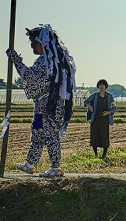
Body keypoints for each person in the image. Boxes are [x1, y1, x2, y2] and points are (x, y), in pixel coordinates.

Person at [9, 24, 76, 179]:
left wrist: (16, 60)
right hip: (43, 105)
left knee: (51, 135)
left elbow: (30, 76)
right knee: (38, 133)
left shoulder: (46, 61)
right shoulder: (52, 60)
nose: (33, 47)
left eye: (34, 43)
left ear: (42, 43)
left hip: (49, 106)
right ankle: (30, 163)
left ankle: (55, 167)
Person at [84, 79, 116, 158]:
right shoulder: (95, 95)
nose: (101, 86)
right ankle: (95, 154)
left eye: (103, 85)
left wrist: (108, 113)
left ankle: (104, 154)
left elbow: (114, 107)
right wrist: (90, 106)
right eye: (100, 85)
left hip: (105, 119)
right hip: (95, 118)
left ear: (105, 86)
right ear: (98, 86)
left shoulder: (109, 96)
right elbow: (85, 102)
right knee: (94, 135)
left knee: (104, 136)